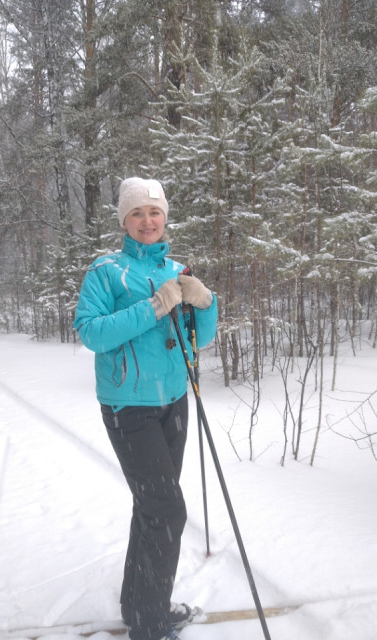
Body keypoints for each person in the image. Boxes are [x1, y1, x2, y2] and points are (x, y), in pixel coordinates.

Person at [73, 177, 218, 640]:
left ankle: (140, 607)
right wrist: (156, 306)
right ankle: (151, 625)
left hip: (174, 399)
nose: (147, 220)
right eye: (137, 213)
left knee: (151, 506)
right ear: (124, 220)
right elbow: (92, 332)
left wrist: (206, 302)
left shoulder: (177, 268)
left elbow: (202, 336)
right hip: (127, 406)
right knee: (167, 510)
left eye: (154, 212)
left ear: (165, 217)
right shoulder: (105, 271)